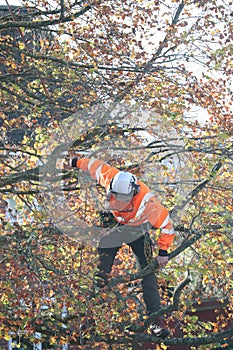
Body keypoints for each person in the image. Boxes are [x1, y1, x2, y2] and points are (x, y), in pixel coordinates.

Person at [70, 156, 175, 338]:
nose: (119, 201)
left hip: (137, 228)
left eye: (123, 199)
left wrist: (163, 252)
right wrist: (75, 161)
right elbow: (93, 165)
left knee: (148, 269)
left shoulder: (149, 203)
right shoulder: (110, 177)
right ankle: (91, 317)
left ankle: (156, 320)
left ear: (133, 193)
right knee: (102, 268)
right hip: (113, 225)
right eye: (115, 197)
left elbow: (167, 226)